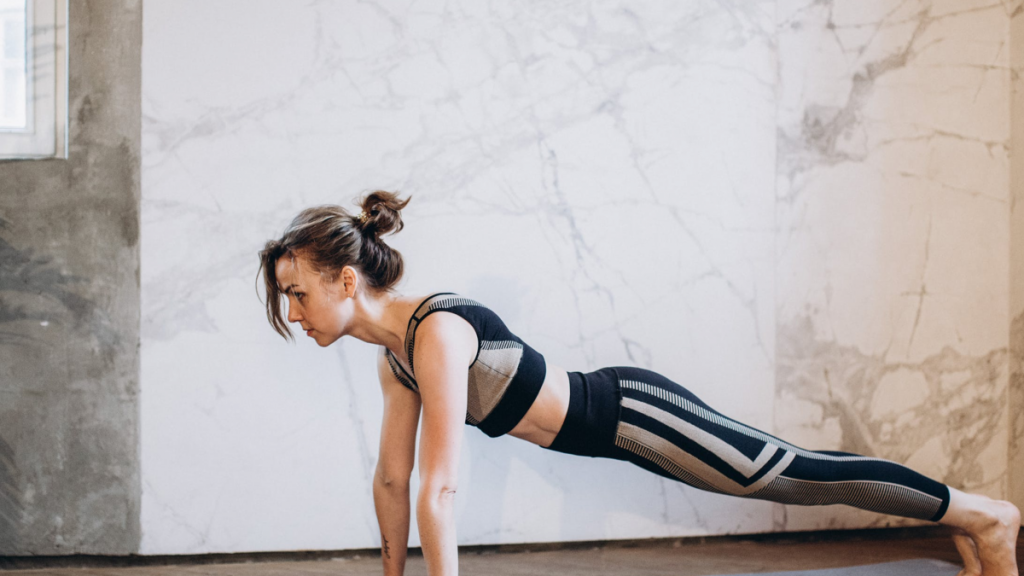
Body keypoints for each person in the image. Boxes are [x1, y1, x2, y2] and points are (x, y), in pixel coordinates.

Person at [258, 191, 1020, 576]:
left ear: (346, 279)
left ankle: (985, 516)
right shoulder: (396, 358)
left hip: (635, 412)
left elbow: (440, 488)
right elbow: (395, 479)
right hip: (615, 434)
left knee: (794, 478)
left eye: (298, 293)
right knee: (793, 479)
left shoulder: (438, 334)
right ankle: (969, 522)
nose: (295, 314)